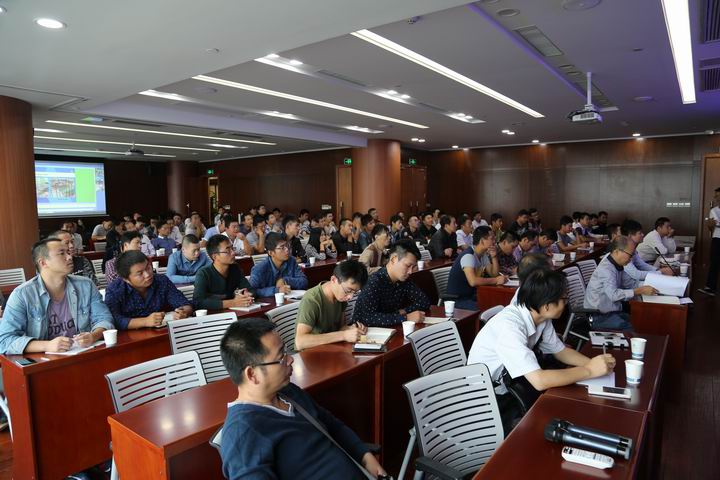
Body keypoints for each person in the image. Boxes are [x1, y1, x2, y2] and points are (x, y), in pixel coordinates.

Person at [219, 318, 387, 479]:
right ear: (252, 374)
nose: (290, 359)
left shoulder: (288, 392)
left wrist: (364, 456)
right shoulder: (242, 434)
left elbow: (331, 424)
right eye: (281, 357)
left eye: (286, 351)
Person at [467, 269, 616, 433]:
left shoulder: (540, 316)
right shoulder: (510, 327)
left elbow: (560, 351)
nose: (566, 303)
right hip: (488, 401)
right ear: (546, 305)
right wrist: (590, 370)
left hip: (513, 384)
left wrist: (595, 364)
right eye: (564, 299)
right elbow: (539, 381)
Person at [0, 238, 114, 355]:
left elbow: (104, 319)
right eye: (62, 253)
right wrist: (47, 345)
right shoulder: (22, 295)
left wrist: (93, 336)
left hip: (82, 354)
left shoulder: (86, 285)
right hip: (43, 361)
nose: (69, 257)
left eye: (68, 252)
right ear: (43, 263)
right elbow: (5, 341)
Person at [584, 236, 658, 331]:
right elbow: (614, 295)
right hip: (598, 315)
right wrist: (639, 291)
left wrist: (654, 285)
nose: (631, 259)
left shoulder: (618, 265)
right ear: (617, 251)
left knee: (640, 321)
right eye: (630, 255)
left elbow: (630, 284)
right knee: (632, 329)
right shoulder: (606, 269)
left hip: (613, 312)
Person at [105, 250, 192, 329]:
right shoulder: (115, 290)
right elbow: (114, 319)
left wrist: (183, 312)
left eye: (148, 268)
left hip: (163, 331)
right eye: (140, 273)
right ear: (126, 279)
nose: (147, 274)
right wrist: (145, 321)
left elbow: (184, 303)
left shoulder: (161, 281)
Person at [295, 260, 369, 350]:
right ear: (334, 280)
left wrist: (351, 329)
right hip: (310, 353)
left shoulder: (340, 297)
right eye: (348, 291)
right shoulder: (312, 300)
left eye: (355, 292)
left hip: (330, 348)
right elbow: (300, 342)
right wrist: (344, 335)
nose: (350, 297)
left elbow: (340, 329)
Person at [353, 240, 431, 327]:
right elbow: (367, 318)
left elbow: (424, 301)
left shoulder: (403, 280)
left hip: (389, 329)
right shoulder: (374, 281)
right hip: (362, 331)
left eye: (413, 267)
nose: (410, 272)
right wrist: (406, 318)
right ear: (394, 259)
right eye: (408, 266)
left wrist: (404, 311)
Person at [447, 226, 506, 310]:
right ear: (482, 241)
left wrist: (494, 257)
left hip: (471, 295)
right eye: (492, 239)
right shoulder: (468, 256)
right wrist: (496, 280)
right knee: (487, 307)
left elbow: (494, 274)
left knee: (496, 303)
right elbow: (473, 281)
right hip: (458, 300)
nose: (495, 241)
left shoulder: (483, 254)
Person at [194, 235, 255, 309]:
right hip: (212, 314)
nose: (233, 253)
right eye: (228, 251)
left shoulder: (235, 268)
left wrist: (247, 294)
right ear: (215, 256)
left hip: (233, 311)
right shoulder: (203, 273)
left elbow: (250, 290)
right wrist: (233, 303)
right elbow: (198, 302)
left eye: (232, 248)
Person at [250, 233, 308, 297]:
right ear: (271, 253)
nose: (287, 249)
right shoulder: (259, 269)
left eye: (287, 245)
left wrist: (285, 280)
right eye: (282, 247)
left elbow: (304, 282)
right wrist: (277, 290)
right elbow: (252, 291)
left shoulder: (291, 261)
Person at [700, 187, 720, 296]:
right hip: (717, 239)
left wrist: (716, 223)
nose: (716, 198)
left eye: (718, 195)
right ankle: (710, 288)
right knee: (714, 263)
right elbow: (712, 226)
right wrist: (710, 225)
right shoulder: (714, 210)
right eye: (715, 196)